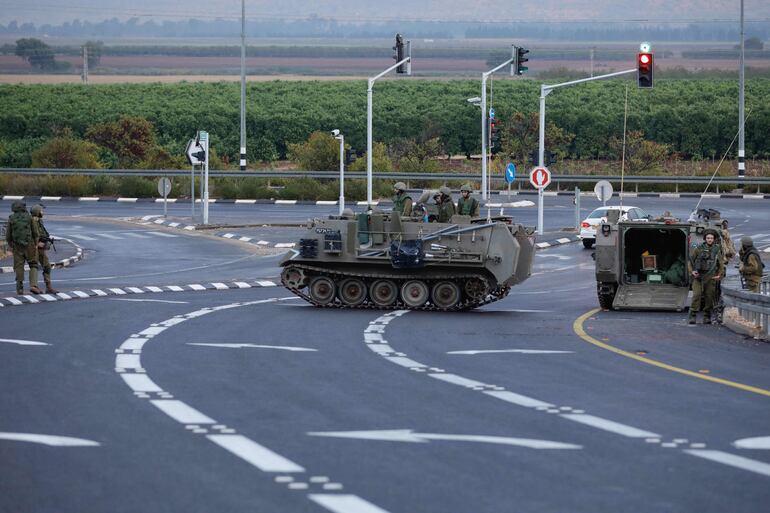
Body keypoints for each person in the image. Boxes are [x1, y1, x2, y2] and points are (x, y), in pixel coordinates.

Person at [688, 229, 724, 325]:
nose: (710, 240)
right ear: (705, 238)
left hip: (711, 277)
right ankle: (693, 315)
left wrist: (719, 275)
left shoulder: (717, 250)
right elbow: (690, 262)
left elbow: (721, 264)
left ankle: (707, 316)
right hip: (698, 276)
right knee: (696, 295)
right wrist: (692, 272)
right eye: (708, 238)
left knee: (709, 297)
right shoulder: (698, 248)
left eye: (711, 238)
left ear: (714, 239)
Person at [5, 201, 42, 295]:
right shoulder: (29, 217)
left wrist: (11, 245)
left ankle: (19, 288)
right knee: (33, 264)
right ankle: (33, 285)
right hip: (30, 245)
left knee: (19, 266)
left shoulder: (11, 218)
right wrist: (36, 244)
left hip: (17, 246)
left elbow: (8, 236)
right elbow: (36, 233)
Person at [30, 204, 59, 294]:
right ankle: (33, 286)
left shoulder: (39, 221)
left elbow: (42, 233)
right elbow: (29, 234)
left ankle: (48, 287)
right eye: (41, 211)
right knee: (34, 266)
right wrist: (37, 243)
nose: (43, 212)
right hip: (34, 247)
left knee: (47, 266)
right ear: (37, 212)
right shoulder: (33, 221)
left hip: (40, 248)